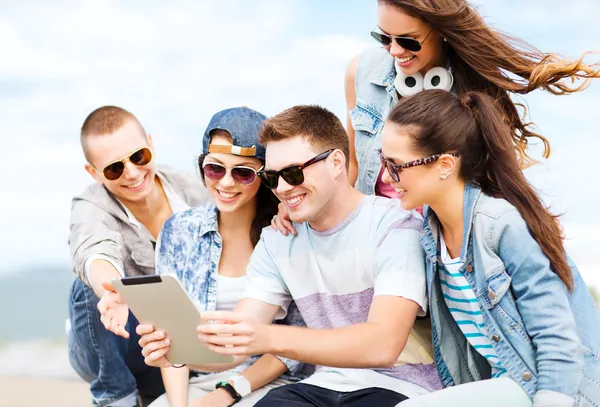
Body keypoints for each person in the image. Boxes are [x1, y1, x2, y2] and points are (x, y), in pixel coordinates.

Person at [137, 105, 444, 406]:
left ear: (337, 162)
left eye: (293, 173)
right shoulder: (277, 240)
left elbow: (383, 345)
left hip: (400, 388)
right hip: (319, 386)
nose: (282, 188)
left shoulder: (393, 224)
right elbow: (237, 340)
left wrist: (267, 338)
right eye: (272, 178)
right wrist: (178, 351)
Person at [378, 89, 600, 406]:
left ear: (443, 165)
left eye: (397, 165)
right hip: (503, 385)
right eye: (383, 160)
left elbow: (557, 335)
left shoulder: (501, 225)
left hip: (554, 389)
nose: (387, 176)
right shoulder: (430, 233)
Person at [346, 0, 600, 197]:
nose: (394, 50)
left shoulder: (473, 92)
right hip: (375, 241)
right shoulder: (361, 71)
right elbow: (352, 168)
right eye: (384, 37)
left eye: (408, 41)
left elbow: (494, 180)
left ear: (442, 31)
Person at [147, 107, 311, 407]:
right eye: (214, 168)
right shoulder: (179, 231)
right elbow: (172, 338)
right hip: (200, 380)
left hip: (274, 382)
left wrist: (227, 394)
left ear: (263, 176)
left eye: (243, 172)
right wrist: (179, 404)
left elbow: (299, 337)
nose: (225, 183)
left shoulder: (287, 233)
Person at [67, 106, 209, 407]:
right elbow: (94, 248)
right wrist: (113, 290)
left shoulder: (195, 189)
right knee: (90, 289)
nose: (132, 172)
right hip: (118, 342)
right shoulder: (90, 206)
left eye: (138, 156)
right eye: (114, 169)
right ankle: (116, 398)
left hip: (175, 345)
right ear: (94, 173)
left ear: (151, 144)